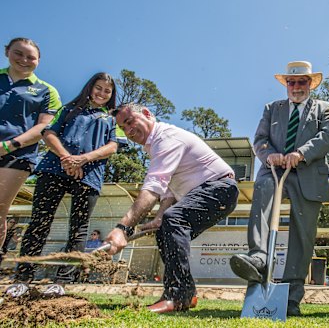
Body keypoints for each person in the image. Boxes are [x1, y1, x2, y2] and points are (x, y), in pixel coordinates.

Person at [104, 103, 239, 314]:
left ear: (147, 113)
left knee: (174, 219)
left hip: (220, 188)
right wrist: (159, 218)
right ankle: (186, 293)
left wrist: (123, 227)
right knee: (165, 227)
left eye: (130, 122)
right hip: (208, 191)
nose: (128, 131)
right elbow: (168, 191)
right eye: (123, 127)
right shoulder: (154, 146)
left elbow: (154, 187)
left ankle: (178, 296)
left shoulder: (165, 138)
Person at [229, 61, 329, 316]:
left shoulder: (325, 108)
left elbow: (328, 137)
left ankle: (292, 296)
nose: (296, 87)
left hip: (308, 173)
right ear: (286, 84)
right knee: (263, 191)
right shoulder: (272, 109)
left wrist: (300, 153)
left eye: (301, 82)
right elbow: (260, 140)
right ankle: (259, 259)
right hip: (275, 171)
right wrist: (270, 155)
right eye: (292, 82)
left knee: (303, 233)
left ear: (310, 83)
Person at [14, 72, 122, 285]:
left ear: (111, 95)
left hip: (89, 176)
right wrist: (66, 157)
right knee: (40, 221)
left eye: (107, 91)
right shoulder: (68, 110)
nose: (102, 93)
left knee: (79, 228)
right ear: (90, 87)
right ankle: (22, 278)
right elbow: (48, 133)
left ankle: (63, 282)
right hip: (54, 169)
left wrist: (83, 159)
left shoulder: (111, 118)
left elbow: (113, 146)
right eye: (98, 88)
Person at [0, 38, 61, 249]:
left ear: (38, 61)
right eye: (18, 53)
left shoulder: (46, 91)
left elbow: (43, 127)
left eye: (30, 57)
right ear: (7, 52)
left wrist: (8, 145)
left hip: (18, 154)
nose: (24, 60)